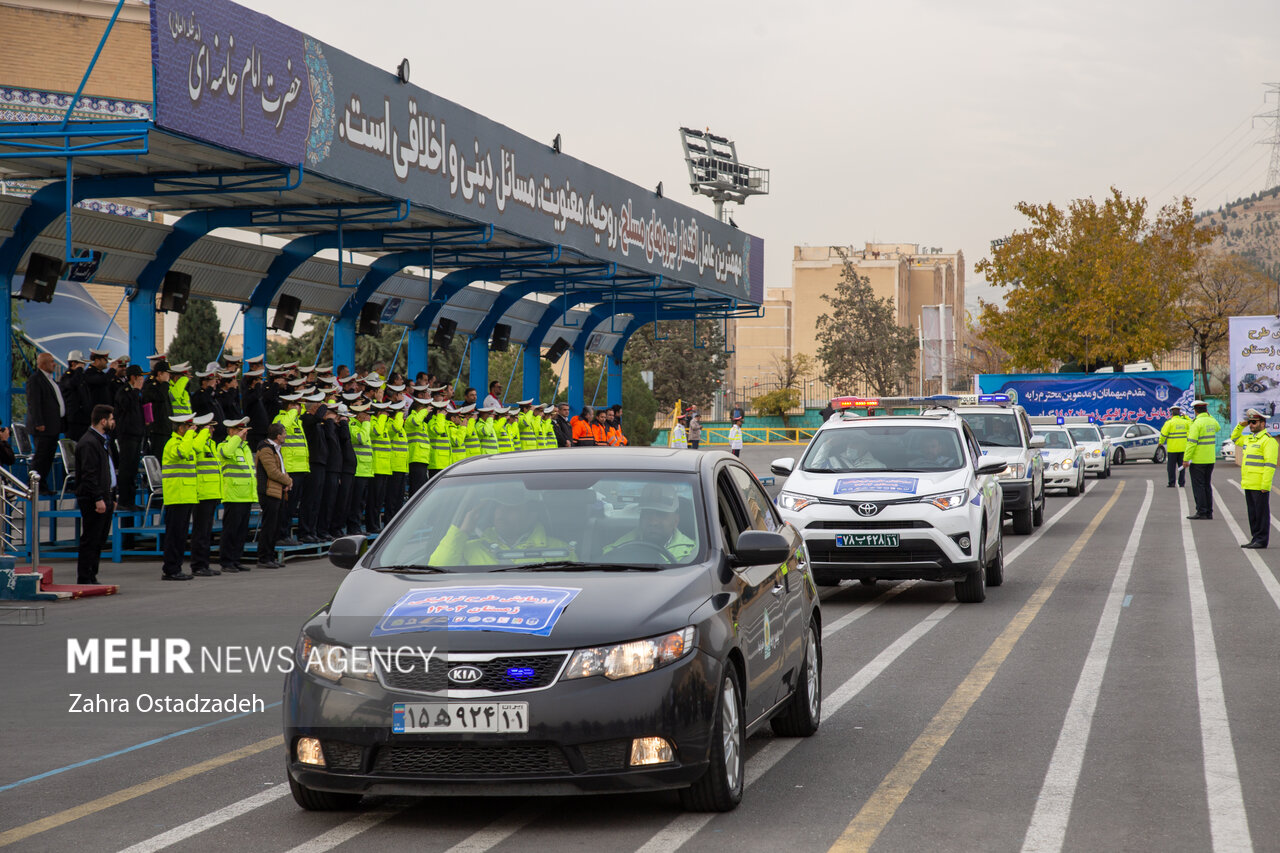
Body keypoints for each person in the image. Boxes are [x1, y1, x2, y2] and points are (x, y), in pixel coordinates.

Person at [430, 490, 573, 565]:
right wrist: (462, 532)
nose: (501, 513)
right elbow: (436, 573)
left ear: (531, 516)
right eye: (498, 507)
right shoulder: (468, 548)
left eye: (512, 508)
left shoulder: (559, 551)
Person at [74, 404, 116, 584]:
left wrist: (112, 497)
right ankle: (85, 576)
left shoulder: (102, 440)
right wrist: (98, 498)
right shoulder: (89, 442)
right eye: (112, 419)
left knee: (100, 538)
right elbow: (89, 475)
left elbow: (109, 470)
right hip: (93, 498)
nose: (114, 423)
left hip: (105, 496)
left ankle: (92, 574)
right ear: (103, 421)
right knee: (91, 538)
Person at [603, 484, 696, 562]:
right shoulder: (619, 548)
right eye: (647, 514)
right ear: (640, 518)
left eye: (661, 514)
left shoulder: (694, 554)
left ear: (676, 520)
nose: (653, 522)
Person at [159, 414, 199, 580]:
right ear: (181, 428)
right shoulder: (173, 444)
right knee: (174, 535)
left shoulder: (186, 443)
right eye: (189, 427)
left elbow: (193, 448)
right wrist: (190, 434)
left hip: (186, 495)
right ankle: (170, 569)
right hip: (176, 496)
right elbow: (182, 452)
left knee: (181, 535)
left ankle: (176, 567)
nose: (192, 430)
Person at [1231, 408, 1278, 548]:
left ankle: (1261, 539)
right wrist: (1241, 425)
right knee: (1253, 514)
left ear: (1262, 424)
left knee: (1261, 513)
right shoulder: (1249, 439)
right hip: (1248, 483)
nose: (1251, 424)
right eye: (1250, 422)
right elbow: (1234, 438)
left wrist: (1266, 484)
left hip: (1260, 484)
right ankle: (1255, 538)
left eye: (1254, 422)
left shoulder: (1268, 441)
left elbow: (1269, 465)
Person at [216, 417, 256, 572]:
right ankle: (226, 561)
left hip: (245, 495)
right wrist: (236, 438)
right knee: (230, 530)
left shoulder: (244, 447)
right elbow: (226, 453)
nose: (244, 434)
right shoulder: (225, 445)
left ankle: (236, 559)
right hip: (233, 495)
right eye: (240, 430)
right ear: (231, 431)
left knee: (241, 531)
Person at [25, 351, 65, 495]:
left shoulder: (51, 380)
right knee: (41, 456)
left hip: (53, 426)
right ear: (42, 364)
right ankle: (33, 485)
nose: (54, 364)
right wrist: (38, 422)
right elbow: (33, 402)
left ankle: (42, 485)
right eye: (51, 361)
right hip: (43, 427)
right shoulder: (35, 379)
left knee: (48, 457)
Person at [254, 423, 291, 568]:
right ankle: (264, 558)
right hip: (268, 492)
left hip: (277, 491)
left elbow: (281, 468)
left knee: (274, 526)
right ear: (278, 436)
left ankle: (270, 556)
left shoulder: (276, 449)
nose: (286, 436)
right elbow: (272, 472)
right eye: (284, 433)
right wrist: (287, 480)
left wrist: (288, 481)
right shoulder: (265, 449)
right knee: (269, 526)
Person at [189, 413, 222, 577]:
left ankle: (204, 564)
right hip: (201, 493)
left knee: (206, 532)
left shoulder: (210, 444)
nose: (213, 430)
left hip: (211, 493)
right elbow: (195, 448)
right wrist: (202, 432)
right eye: (210, 427)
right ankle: (198, 565)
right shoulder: (198, 442)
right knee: (200, 532)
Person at [113, 365, 146, 510]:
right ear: (133, 378)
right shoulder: (124, 391)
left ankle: (130, 501)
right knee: (126, 468)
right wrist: (137, 390)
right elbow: (126, 405)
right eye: (140, 377)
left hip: (137, 434)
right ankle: (124, 501)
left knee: (133, 469)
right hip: (127, 435)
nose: (142, 380)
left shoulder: (136, 393)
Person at [1183, 399, 1220, 520]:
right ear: (1206, 410)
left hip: (1198, 460)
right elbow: (1218, 427)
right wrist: (1208, 415)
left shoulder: (1196, 423)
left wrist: (1186, 459)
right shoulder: (1211, 421)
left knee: (1198, 486)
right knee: (1207, 485)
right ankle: (1209, 512)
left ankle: (1201, 511)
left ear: (1195, 411)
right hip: (1210, 459)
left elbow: (1191, 443)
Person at [141, 360, 174, 456]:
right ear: (160, 373)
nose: (169, 377)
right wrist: (165, 383)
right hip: (157, 429)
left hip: (166, 428)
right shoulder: (151, 386)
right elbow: (160, 397)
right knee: (158, 456)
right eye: (167, 374)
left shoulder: (162, 386)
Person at [1159, 405, 1191, 488]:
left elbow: (1163, 434)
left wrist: (1160, 442)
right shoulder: (1185, 422)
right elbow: (1192, 424)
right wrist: (1186, 417)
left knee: (1171, 467)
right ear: (1180, 413)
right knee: (1182, 466)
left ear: (1171, 414)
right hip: (1183, 448)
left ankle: (1172, 482)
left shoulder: (1169, 423)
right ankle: (1182, 482)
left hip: (1172, 449)